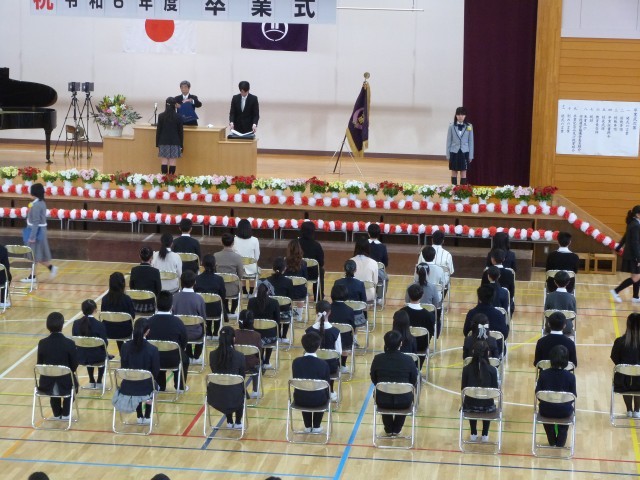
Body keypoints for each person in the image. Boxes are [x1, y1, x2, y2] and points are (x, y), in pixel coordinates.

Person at [370, 330, 418, 436]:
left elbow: (374, 378)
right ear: (401, 343)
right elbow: (413, 380)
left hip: (382, 400)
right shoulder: (408, 360)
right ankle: (396, 429)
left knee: (383, 392)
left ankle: (388, 428)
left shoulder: (378, 359)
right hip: (404, 401)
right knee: (403, 392)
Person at [114, 318, 160, 425]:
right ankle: (147, 415)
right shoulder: (152, 349)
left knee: (138, 383)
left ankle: (139, 415)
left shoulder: (124, 347)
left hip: (127, 386)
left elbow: (124, 367)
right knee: (153, 385)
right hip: (145, 387)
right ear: (147, 331)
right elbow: (155, 372)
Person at [36, 312, 78, 420]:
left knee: (53, 379)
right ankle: (66, 413)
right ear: (62, 325)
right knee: (74, 384)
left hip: (46, 384)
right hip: (66, 383)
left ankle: (57, 413)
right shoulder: (69, 343)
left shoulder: (42, 343)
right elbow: (74, 365)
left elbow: (40, 365)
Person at [535, 345, 577, 447]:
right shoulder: (571, 377)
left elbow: (538, 393)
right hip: (564, 411)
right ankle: (561, 443)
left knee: (547, 416)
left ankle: (552, 441)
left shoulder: (543, 374)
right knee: (565, 418)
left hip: (546, 411)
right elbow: (573, 396)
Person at [147, 291, 189, 392]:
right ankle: (180, 386)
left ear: (156, 305)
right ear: (171, 306)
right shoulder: (178, 322)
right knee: (184, 359)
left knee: (156, 352)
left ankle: (160, 385)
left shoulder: (148, 322)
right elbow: (184, 341)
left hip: (154, 358)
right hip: (173, 358)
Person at [291, 331, 331, 433]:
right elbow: (327, 385)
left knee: (304, 389)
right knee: (320, 391)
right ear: (318, 346)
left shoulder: (296, 362)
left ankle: (307, 426)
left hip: (300, 399)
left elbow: (297, 379)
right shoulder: (323, 364)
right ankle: (317, 426)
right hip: (319, 400)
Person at [208, 326, 246, 429]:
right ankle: (238, 422)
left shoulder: (212, 355)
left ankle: (229, 420)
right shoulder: (240, 356)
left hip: (215, 395)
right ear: (233, 339)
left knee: (226, 384)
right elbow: (242, 377)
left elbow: (214, 372)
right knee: (238, 387)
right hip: (234, 395)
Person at [461, 340, 499, 442]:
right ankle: (485, 434)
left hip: (469, 407)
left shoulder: (466, 369)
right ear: (487, 353)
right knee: (487, 400)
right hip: (488, 408)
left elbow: (463, 389)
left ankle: (473, 432)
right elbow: (495, 390)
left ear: (473, 352)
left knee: (470, 399)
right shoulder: (492, 370)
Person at [306, 301, 341, 402]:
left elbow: (307, 351)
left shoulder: (308, 331)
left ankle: (315, 389)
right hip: (330, 367)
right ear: (329, 312)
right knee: (332, 362)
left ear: (316, 312)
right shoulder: (335, 332)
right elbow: (338, 353)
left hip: (312, 365)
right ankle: (331, 391)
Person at [22, 183, 57, 283]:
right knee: (36, 255)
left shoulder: (37, 205)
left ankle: (33, 276)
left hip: (36, 231)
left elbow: (36, 222)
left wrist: (32, 236)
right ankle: (49, 268)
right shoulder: (39, 203)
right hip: (35, 230)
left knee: (34, 255)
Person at [172, 270, 207, 366]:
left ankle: (188, 355)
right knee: (203, 328)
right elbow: (203, 319)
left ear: (181, 282)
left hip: (179, 332)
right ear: (195, 282)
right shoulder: (199, 298)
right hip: (196, 333)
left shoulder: (174, 297)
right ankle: (196, 356)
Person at [71, 299, 108, 389]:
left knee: (87, 349)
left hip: (81, 356)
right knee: (102, 353)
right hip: (97, 357)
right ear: (95, 310)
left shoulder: (76, 323)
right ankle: (99, 381)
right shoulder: (99, 325)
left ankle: (91, 380)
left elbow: (75, 341)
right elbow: (105, 343)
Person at [463, 285, 509, 355]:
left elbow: (466, 332)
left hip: (473, 350)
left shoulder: (471, 313)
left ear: (479, 298)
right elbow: (504, 334)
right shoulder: (499, 314)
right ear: (492, 298)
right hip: (494, 351)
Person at [611, 312, 640, 417]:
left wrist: (626, 368)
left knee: (625, 375)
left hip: (622, 383)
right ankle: (637, 411)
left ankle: (629, 410)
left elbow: (614, 358)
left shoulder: (619, 342)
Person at [400, 284, 435, 366]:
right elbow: (430, 334)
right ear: (422, 296)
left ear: (408, 295)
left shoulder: (400, 313)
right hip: (421, 347)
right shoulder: (429, 316)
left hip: (404, 346)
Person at [101, 271, 136, 353]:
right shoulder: (127, 299)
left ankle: (121, 352)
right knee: (121, 325)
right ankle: (125, 354)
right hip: (125, 331)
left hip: (108, 331)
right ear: (123, 284)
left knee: (115, 324)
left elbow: (104, 315)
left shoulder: (105, 299)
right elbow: (132, 316)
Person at [247, 282, 280, 369]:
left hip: (254, 336)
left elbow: (249, 318)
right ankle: (267, 361)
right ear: (268, 291)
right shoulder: (274, 302)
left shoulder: (251, 301)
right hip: (270, 336)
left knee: (258, 337)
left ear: (257, 290)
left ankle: (259, 359)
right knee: (270, 332)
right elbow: (277, 321)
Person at [194, 254, 227, 339]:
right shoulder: (219, 279)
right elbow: (223, 296)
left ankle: (208, 332)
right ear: (215, 264)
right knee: (218, 304)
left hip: (201, 309)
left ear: (202, 264)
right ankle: (215, 333)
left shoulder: (197, 279)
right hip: (216, 309)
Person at [612, 206, 640, 303]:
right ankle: (616, 291)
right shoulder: (636, 225)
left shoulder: (632, 223)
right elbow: (635, 243)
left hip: (632, 254)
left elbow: (625, 237)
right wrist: (638, 258)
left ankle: (635, 297)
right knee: (636, 277)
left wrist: (618, 247)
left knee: (637, 275)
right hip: (633, 255)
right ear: (637, 215)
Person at [264, 256, 295, 343]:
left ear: (273, 268)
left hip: (271, 312)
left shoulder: (267, 280)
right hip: (284, 312)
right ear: (284, 268)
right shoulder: (288, 281)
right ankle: (283, 336)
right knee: (288, 309)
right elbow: (290, 299)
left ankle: (275, 335)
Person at [214, 233, 246, 316]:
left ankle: (226, 311)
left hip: (220, 288)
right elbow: (240, 275)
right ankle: (232, 311)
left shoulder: (216, 256)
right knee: (238, 285)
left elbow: (214, 272)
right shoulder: (237, 257)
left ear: (222, 242)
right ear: (233, 243)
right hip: (233, 288)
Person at [235, 310, 262, 399]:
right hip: (250, 365)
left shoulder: (234, 333)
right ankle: (255, 390)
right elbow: (259, 354)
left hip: (236, 364)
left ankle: (241, 388)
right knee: (258, 363)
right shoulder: (256, 335)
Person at [329, 284, 356, 373]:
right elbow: (353, 327)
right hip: (345, 340)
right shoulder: (350, 310)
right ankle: (343, 365)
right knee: (347, 338)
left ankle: (331, 363)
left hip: (329, 339)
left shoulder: (327, 308)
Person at [445, 106, 474, 186]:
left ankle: (462, 190)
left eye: (462, 114)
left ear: (465, 116)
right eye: (458, 114)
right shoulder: (451, 126)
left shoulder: (469, 126)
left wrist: (471, 156)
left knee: (463, 171)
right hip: (454, 152)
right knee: (454, 171)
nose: (460, 116)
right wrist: (448, 155)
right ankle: (454, 189)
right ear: (456, 115)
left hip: (465, 152)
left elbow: (471, 141)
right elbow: (448, 141)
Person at [481, 248, 515, 314]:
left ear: (492, 259)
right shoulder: (509, 273)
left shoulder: (487, 272)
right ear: (504, 259)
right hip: (504, 307)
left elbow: (482, 290)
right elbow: (512, 293)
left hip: (487, 305)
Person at [129, 246, 162, 313]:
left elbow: (132, 287)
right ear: (152, 257)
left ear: (139, 256)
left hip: (136, 305)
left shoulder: (134, 270)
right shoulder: (155, 271)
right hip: (151, 306)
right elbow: (159, 289)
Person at [156, 96, 183, 175]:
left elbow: (158, 131)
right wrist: (181, 145)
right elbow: (180, 132)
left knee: (164, 161)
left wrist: (157, 144)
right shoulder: (179, 117)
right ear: (174, 105)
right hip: (175, 142)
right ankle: (171, 179)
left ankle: (164, 179)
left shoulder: (161, 116)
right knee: (172, 161)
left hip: (163, 142)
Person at [298, 221, 325, 301]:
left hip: (298, 272)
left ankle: (296, 294)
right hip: (312, 274)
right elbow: (321, 263)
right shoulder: (316, 245)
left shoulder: (295, 244)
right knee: (320, 270)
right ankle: (319, 297)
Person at [234, 218, 260, 296]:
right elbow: (257, 257)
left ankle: (244, 291)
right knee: (252, 267)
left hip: (239, 269)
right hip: (251, 269)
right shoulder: (255, 240)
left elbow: (234, 255)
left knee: (241, 267)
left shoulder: (234, 239)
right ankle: (251, 292)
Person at [284, 239, 308, 319]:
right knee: (301, 289)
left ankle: (289, 312)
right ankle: (299, 316)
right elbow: (305, 279)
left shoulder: (285, 262)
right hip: (300, 292)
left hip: (287, 292)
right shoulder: (303, 263)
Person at [351, 236, 379, 302]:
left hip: (353, 294)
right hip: (369, 295)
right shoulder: (374, 263)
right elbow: (375, 282)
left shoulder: (350, 262)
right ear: (368, 248)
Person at [367, 223, 388, 303]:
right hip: (377, 272)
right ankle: (380, 297)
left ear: (368, 233)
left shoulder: (363, 244)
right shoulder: (382, 247)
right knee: (385, 278)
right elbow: (385, 263)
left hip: (364, 269)